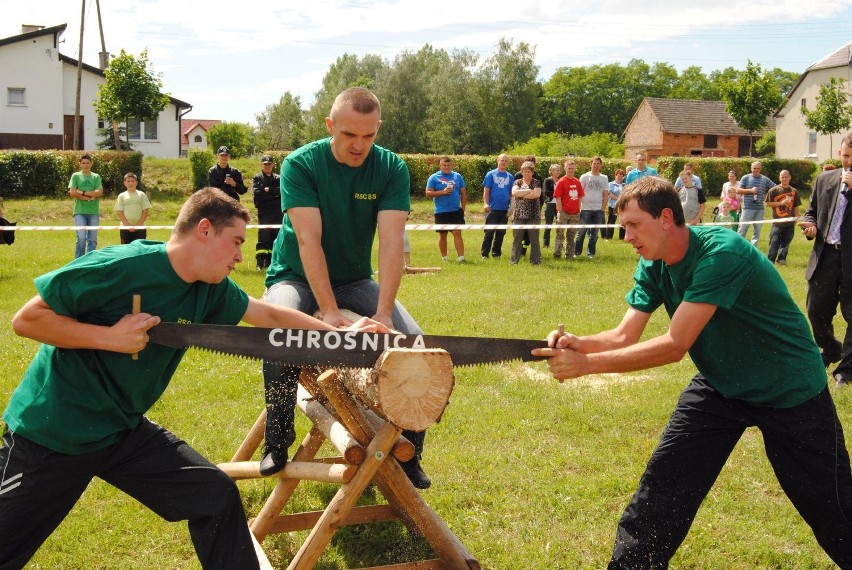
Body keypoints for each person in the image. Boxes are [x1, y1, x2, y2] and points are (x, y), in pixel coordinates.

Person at [0, 188, 387, 570]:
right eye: (235, 241)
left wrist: (341, 338)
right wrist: (108, 338)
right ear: (204, 229)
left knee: (214, 494)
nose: (240, 255)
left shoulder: (210, 288)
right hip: (50, 434)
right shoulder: (122, 265)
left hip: (119, 430)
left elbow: (267, 317)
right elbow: (27, 319)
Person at [533, 176, 852, 569]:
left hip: (790, 390)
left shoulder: (722, 253)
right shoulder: (653, 262)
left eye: (634, 224)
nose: (626, 234)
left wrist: (586, 367)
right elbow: (622, 335)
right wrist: (577, 344)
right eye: (624, 224)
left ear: (666, 217)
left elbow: (674, 344)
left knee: (832, 508)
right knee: (663, 489)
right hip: (721, 385)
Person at [261, 87, 433, 488]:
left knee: (416, 343)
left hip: (355, 279)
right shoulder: (301, 165)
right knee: (279, 336)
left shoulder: (391, 168)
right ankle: (278, 436)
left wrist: (385, 314)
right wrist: (330, 313)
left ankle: (409, 450)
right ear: (330, 126)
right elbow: (309, 242)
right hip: (294, 273)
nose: (359, 146)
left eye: (369, 136)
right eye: (349, 135)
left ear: (378, 129)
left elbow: (391, 243)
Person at [800, 132, 852, 387]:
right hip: (826, 255)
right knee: (815, 310)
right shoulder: (824, 179)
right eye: (845, 156)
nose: (849, 162)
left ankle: (847, 369)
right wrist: (809, 225)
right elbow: (811, 212)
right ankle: (831, 349)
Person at [426, 156, 467, 262]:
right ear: (440, 165)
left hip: (456, 211)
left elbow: (463, 192)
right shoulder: (434, 177)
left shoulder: (457, 176)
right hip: (441, 211)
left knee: (457, 233)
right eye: (444, 165)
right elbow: (428, 193)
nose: (447, 167)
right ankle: (444, 258)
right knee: (443, 235)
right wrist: (442, 192)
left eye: (449, 165)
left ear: (451, 165)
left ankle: (461, 258)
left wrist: (463, 208)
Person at [68, 153, 103, 258]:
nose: (85, 165)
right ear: (80, 164)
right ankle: (78, 261)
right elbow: (73, 193)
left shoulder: (96, 176)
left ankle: (90, 261)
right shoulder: (76, 176)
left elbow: (99, 192)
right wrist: (88, 198)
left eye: (87, 163)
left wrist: (82, 192)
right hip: (79, 212)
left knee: (92, 240)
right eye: (83, 163)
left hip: (93, 212)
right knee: (81, 238)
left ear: (91, 164)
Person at [252, 155, 283, 270]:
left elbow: (281, 191)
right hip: (264, 212)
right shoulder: (257, 178)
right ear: (261, 165)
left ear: (273, 165)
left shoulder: (278, 178)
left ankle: (271, 263)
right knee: (264, 237)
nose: (267, 166)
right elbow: (258, 194)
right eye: (265, 164)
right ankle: (260, 262)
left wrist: (268, 189)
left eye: (269, 164)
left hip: (277, 212)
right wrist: (273, 195)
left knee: (276, 237)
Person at [765, 169, 801, 266]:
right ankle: (770, 260)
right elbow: (768, 203)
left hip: (790, 222)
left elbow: (796, 206)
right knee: (774, 242)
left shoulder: (794, 191)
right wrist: (780, 203)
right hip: (777, 222)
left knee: (786, 242)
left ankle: (782, 259)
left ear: (790, 178)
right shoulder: (774, 190)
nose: (784, 179)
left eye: (786, 177)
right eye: (782, 177)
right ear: (779, 178)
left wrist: (796, 218)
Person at [480, 154, 514, 259]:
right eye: (502, 160)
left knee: (501, 233)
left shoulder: (510, 176)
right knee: (489, 232)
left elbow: (511, 193)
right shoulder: (490, 174)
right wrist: (485, 203)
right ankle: (485, 254)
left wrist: (511, 206)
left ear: (507, 163)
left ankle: (496, 254)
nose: (503, 162)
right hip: (492, 208)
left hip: (504, 209)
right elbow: (486, 190)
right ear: (497, 161)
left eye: (505, 161)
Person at [509, 161, 542, 265]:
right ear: (521, 172)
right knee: (517, 239)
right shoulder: (517, 182)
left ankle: (535, 261)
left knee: (534, 239)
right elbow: (514, 193)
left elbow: (536, 195)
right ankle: (514, 261)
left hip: (534, 214)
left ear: (532, 172)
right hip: (519, 214)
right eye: (524, 171)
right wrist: (529, 191)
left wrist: (522, 194)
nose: (526, 173)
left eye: (529, 171)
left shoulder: (537, 182)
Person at [575, 156, 609, 259]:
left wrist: (602, 208)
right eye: (594, 163)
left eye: (598, 163)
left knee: (594, 234)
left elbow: (605, 194)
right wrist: (579, 207)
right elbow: (579, 193)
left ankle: (591, 253)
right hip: (585, 209)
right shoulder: (584, 177)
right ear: (591, 164)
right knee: (581, 233)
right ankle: (577, 253)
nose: (596, 165)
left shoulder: (604, 178)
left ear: (601, 165)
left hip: (598, 210)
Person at [736, 161, 775, 246]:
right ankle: (739, 247)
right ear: (751, 168)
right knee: (742, 229)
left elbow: (775, 188)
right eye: (754, 168)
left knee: (757, 231)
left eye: (758, 168)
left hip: (760, 209)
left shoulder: (765, 179)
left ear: (761, 169)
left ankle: (754, 249)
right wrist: (750, 190)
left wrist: (767, 196)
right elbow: (738, 190)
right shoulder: (745, 177)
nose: (756, 170)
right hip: (747, 208)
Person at [553, 159, 583, 259]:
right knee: (560, 234)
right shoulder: (561, 182)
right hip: (563, 212)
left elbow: (579, 197)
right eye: (569, 168)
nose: (570, 170)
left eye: (572, 168)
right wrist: (560, 211)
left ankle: (569, 254)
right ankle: (557, 253)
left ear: (575, 169)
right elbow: (557, 197)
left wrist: (579, 209)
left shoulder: (577, 182)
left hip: (575, 213)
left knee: (571, 235)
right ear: (565, 168)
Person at [115, 172, 151, 245]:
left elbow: (145, 211)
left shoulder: (142, 195)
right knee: (126, 250)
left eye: (132, 181)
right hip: (125, 228)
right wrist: (128, 225)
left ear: (136, 183)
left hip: (140, 228)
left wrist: (138, 225)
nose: (130, 183)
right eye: (128, 181)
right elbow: (119, 212)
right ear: (124, 183)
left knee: (139, 250)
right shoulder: (121, 196)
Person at [542, 163, 561, 248]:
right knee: (548, 225)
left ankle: (559, 244)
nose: (558, 172)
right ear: (552, 171)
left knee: (560, 225)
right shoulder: (547, 180)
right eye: (557, 170)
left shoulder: (560, 180)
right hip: (550, 205)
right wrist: (556, 194)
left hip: (559, 205)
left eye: (559, 170)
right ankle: (546, 244)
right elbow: (546, 192)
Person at [604, 169, 625, 240]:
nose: (619, 178)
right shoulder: (610, 184)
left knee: (623, 221)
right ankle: (608, 237)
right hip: (612, 206)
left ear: (623, 177)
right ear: (615, 176)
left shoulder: (625, 185)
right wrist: (619, 199)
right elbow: (610, 194)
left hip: (622, 206)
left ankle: (622, 237)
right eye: (618, 176)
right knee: (611, 221)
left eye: (621, 176)